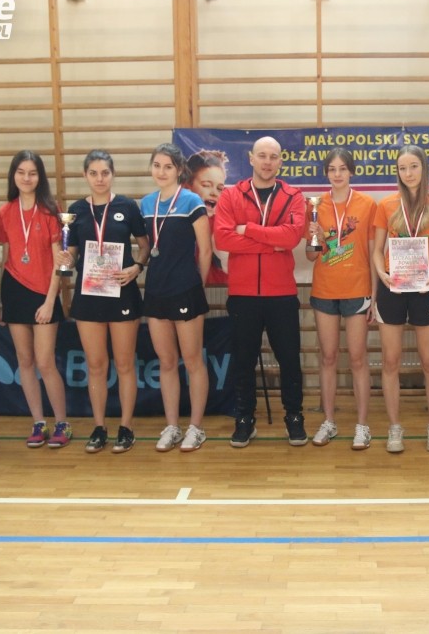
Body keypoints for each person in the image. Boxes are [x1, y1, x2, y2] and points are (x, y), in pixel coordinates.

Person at [213, 136, 307, 447]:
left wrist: (249, 230)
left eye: (273, 157)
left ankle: (294, 417)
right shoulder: (231, 195)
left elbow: (292, 237)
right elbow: (223, 239)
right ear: (251, 158)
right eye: (262, 156)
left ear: (280, 161)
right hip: (243, 294)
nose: (267, 162)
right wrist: (271, 243)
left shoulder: (293, 196)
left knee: (289, 360)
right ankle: (244, 418)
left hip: (281, 293)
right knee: (243, 360)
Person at [56, 150, 150, 454]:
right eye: (93, 173)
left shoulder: (127, 206)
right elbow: (72, 254)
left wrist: (137, 267)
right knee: (96, 365)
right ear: (85, 175)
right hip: (89, 295)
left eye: (105, 173)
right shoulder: (75, 211)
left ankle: (126, 427)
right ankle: (99, 427)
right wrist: (65, 259)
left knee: (124, 364)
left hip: (122, 293)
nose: (99, 179)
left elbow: (145, 246)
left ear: (113, 174)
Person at [372, 144, 429, 453]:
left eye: (413, 166)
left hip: (425, 287)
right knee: (390, 361)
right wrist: (382, 274)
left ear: (424, 168)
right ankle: (395, 427)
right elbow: (377, 250)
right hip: (393, 286)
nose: (408, 173)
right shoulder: (386, 205)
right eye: (402, 168)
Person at [0, 150, 71, 449]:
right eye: (21, 172)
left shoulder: (52, 212)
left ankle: (62, 423)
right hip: (14, 291)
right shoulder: (5, 212)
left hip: (44, 293)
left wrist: (51, 301)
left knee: (45, 361)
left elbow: (59, 263)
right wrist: (2, 300)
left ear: (40, 177)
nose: (27, 178)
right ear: (13, 175)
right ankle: (38, 422)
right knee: (25, 361)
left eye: (32, 173)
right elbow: (6, 258)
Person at [305, 147, 378, 450]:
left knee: (358, 359)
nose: (337, 174)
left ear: (351, 171)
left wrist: (374, 296)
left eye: (342, 169)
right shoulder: (315, 206)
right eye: (332, 169)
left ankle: (362, 425)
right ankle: (329, 420)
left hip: (357, 290)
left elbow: (373, 252)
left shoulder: (367, 204)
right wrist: (316, 238)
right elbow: (311, 256)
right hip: (325, 291)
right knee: (328, 358)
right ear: (326, 173)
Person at [140, 143, 210, 453]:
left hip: (186, 290)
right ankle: (172, 426)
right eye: (157, 165)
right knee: (166, 362)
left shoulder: (192, 201)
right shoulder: (146, 204)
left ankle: (196, 427)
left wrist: (198, 286)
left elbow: (205, 250)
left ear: (179, 170)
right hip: (156, 290)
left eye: (168, 166)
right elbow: (146, 248)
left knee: (193, 361)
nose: (162, 171)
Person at [183, 149, 229, 286]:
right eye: (206, 185)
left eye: (220, 188)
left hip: (217, 289)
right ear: (187, 186)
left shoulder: (223, 223)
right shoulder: (178, 220)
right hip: (184, 288)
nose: (214, 193)